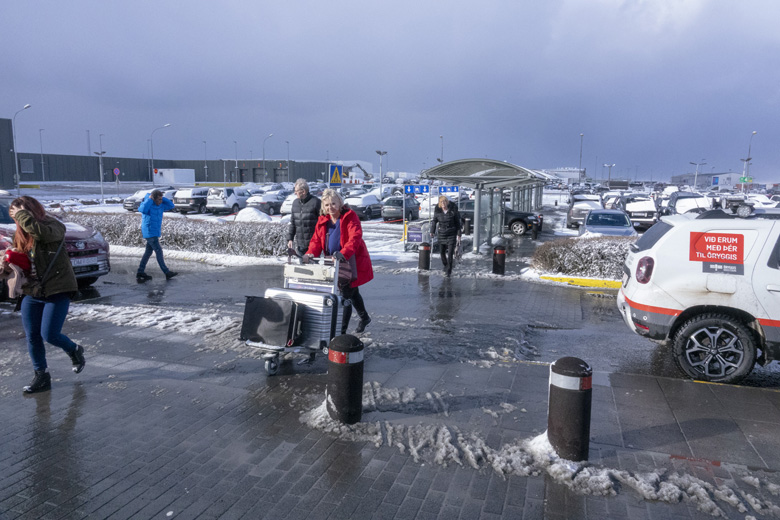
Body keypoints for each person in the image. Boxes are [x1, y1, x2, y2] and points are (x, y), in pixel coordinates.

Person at [8, 196, 85, 394]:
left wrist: (23, 214)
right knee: (32, 335)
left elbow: (42, 234)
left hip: (57, 288)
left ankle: (74, 350)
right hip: (33, 290)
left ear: (32, 209)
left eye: (20, 213)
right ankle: (41, 375)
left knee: (49, 334)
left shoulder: (54, 225)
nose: (18, 219)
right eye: (15, 216)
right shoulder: (21, 233)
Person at [303, 189, 373, 334]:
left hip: (350, 260)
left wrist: (344, 253)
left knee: (346, 295)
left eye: (333, 204)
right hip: (332, 262)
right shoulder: (323, 221)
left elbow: (355, 237)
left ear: (340, 203)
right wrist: (310, 254)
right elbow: (316, 241)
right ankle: (364, 317)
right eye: (327, 205)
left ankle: (341, 333)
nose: (330, 208)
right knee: (352, 292)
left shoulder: (350, 216)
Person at [136, 189, 177, 283]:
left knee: (148, 252)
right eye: (158, 199)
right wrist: (150, 199)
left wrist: (162, 198)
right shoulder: (148, 204)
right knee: (158, 250)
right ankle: (166, 272)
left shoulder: (161, 205)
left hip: (155, 232)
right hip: (149, 231)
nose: (160, 201)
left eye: (161, 199)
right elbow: (141, 209)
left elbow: (171, 205)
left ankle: (140, 272)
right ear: (153, 199)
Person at [286, 178, 321, 257]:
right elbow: (293, 223)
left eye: (297, 191)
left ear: (304, 191)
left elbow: (322, 223)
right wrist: (290, 238)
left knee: (313, 267)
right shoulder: (295, 203)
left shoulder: (316, 202)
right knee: (302, 268)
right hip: (300, 246)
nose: (295, 193)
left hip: (313, 245)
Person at [431, 195, 462, 277]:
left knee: (450, 253)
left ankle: (449, 270)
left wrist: (459, 234)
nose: (443, 203)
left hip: (451, 234)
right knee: (442, 253)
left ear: (447, 202)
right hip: (442, 234)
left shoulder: (452, 211)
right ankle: (446, 265)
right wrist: (432, 231)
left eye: (444, 202)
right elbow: (434, 221)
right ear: (440, 204)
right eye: (441, 202)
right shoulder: (438, 212)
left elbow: (457, 224)